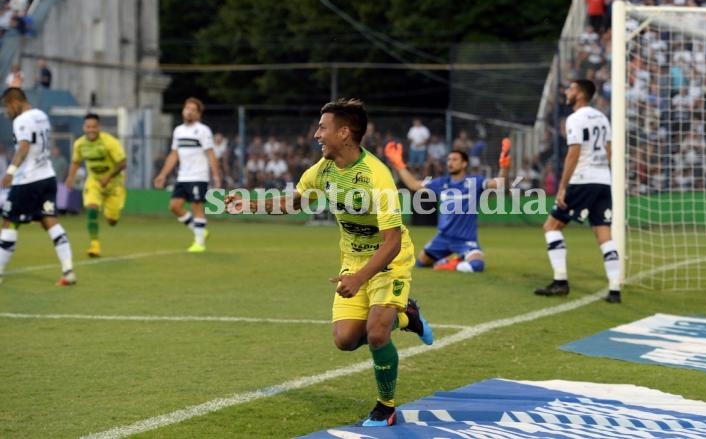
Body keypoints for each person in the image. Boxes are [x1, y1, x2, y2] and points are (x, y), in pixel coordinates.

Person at [224, 98, 433, 427]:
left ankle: (385, 405)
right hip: (353, 260)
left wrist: (361, 277)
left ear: (345, 133)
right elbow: (294, 203)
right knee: (345, 340)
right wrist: (248, 205)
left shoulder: (377, 177)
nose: (316, 134)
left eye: (323, 128)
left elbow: (392, 242)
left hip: (389, 261)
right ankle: (408, 316)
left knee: (377, 333)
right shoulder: (321, 171)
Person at [534, 79, 622, 303]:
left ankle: (560, 282)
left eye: (571, 89)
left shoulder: (575, 118)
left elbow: (574, 153)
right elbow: (609, 150)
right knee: (604, 235)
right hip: (603, 180)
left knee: (551, 226)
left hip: (583, 178)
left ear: (581, 94)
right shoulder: (602, 118)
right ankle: (614, 289)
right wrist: (603, 172)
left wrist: (562, 187)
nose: (566, 92)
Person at [384, 138, 511, 273]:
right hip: (442, 238)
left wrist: (504, 166)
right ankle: (447, 261)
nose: (450, 162)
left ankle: (452, 264)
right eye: (449, 159)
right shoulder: (441, 183)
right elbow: (413, 185)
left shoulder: (474, 182)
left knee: (477, 266)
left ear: (464, 164)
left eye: (455, 160)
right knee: (421, 263)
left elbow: (499, 184)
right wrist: (399, 165)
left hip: (465, 240)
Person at [0, 87, 75, 286]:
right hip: (47, 176)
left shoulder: (21, 120)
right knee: (49, 221)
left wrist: (10, 171)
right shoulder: (41, 115)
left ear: (14, 103)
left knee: (9, 222)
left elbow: (24, 146)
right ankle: (68, 270)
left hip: (28, 180)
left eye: (7, 107)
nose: (7, 112)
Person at [154, 97, 221, 253]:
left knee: (196, 206)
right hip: (183, 176)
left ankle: (199, 243)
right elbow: (174, 154)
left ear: (198, 114)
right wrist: (163, 174)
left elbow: (210, 154)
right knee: (174, 206)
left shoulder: (203, 130)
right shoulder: (178, 131)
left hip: (199, 175)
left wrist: (216, 175)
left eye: (193, 109)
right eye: (187, 108)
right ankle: (200, 231)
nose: (189, 111)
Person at [64, 114, 127, 258]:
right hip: (94, 181)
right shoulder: (79, 144)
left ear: (99, 127)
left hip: (114, 183)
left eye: (94, 127)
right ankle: (94, 245)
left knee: (112, 221)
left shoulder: (110, 142)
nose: (91, 130)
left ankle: (111, 214)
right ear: (84, 128)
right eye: (88, 127)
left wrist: (108, 177)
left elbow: (123, 163)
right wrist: (70, 177)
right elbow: (76, 161)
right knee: (91, 208)